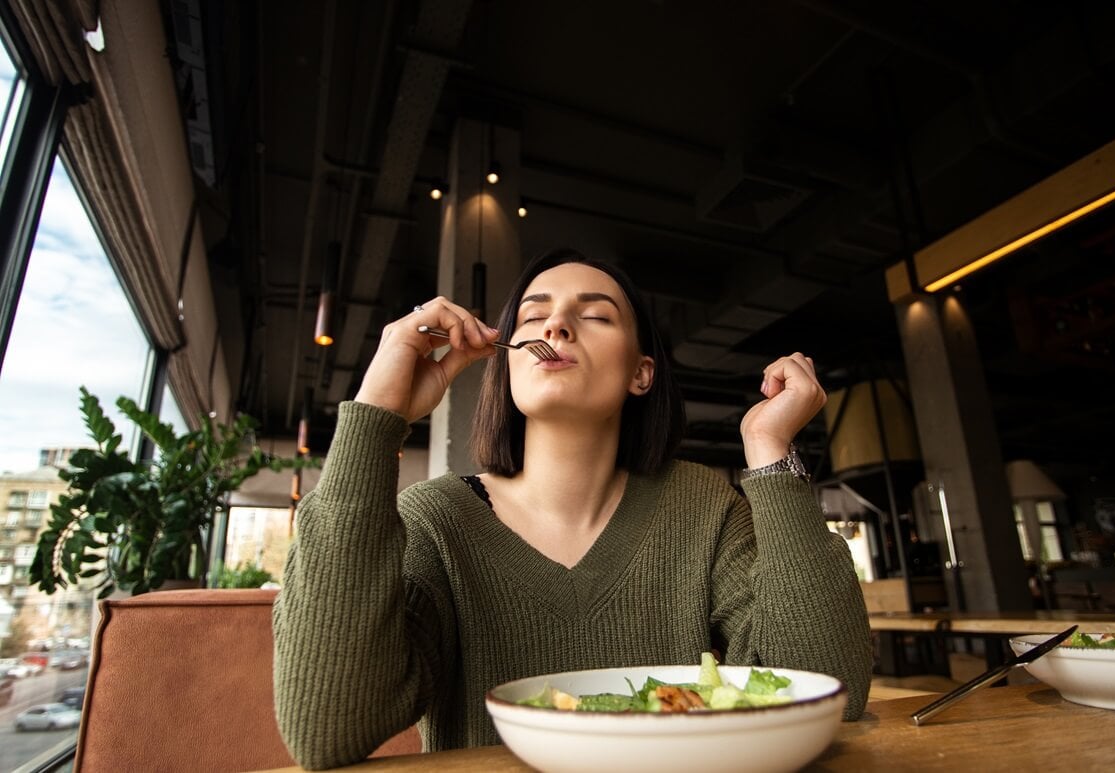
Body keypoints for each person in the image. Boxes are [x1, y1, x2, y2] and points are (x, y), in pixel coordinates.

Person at [273, 247, 872, 769]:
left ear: (642, 374)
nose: (556, 324)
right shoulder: (438, 520)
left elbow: (830, 692)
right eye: (534, 315)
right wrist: (377, 414)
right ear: (505, 363)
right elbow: (325, 729)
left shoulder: (704, 507)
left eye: (595, 315)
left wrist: (771, 455)